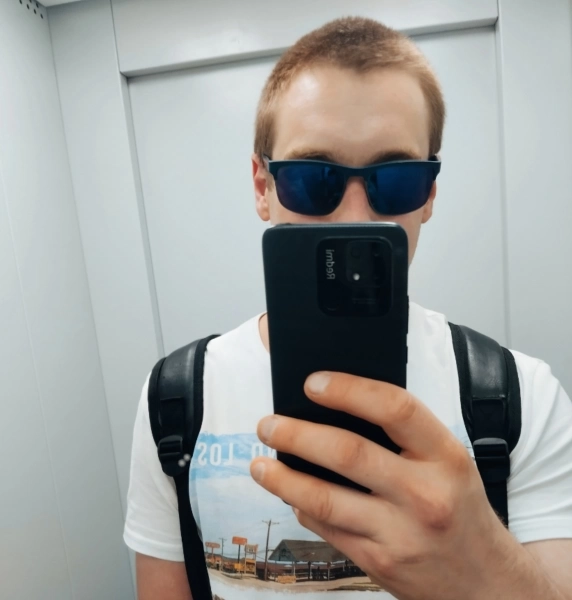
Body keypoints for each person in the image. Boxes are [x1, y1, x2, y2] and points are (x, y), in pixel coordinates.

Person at [123, 16, 572, 600]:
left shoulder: (521, 397)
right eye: (313, 180)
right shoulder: (176, 397)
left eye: (397, 181)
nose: (356, 218)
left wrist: (488, 573)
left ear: (429, 195)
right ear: (262, 186)